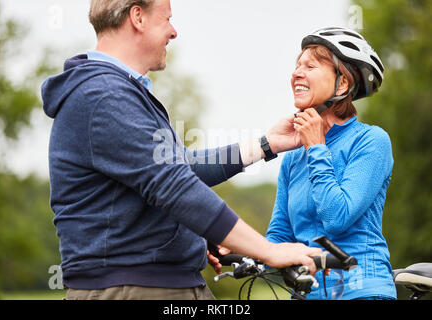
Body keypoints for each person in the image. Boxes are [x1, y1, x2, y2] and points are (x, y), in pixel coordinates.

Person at [41, 0, 321, 300]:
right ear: (138, 17)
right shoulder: (104, 96)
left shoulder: (114, 92)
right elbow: (175, 185)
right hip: (134, 288)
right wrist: (268, 251)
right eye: (167, 19)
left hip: (154, 283)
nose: (173, 32)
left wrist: (267, 145)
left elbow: (180, 166)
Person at [264, 27, 397, 300]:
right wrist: (240, 247)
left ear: (342, 84)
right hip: (307, 293)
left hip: (362, 290)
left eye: (310, 66)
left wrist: (316, 147)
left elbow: (337, 217)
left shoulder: (371, 141)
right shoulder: (293, 157)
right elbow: (279, 235)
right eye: (297, 66)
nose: (296, 73)